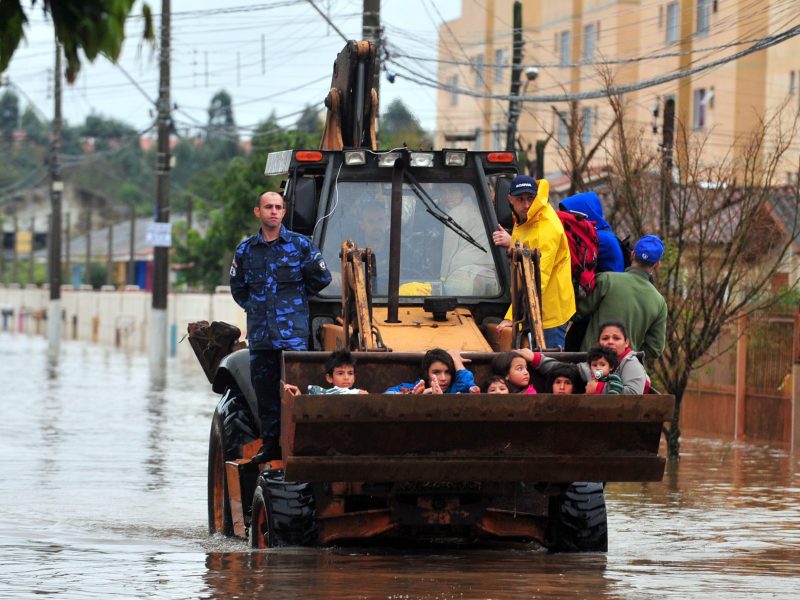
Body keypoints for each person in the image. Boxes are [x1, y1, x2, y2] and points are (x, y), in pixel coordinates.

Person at [230, 190, 332, 462]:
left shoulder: (301, 246)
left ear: (284, 213)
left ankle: (298, 443)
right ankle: (271, 443)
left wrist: (295, 300)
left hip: (292, 337)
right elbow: (238, 289)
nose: (273, 211)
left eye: (278, 207)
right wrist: (256, 308)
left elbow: (321, 278)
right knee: (264, 391)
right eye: (268, 207)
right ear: (258, 212)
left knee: (295, 390)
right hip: (262, 336)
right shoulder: (246, 250)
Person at [492, 175, 575, 349]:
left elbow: (538, 279)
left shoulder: (546, 228)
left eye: (530, 198)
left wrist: (511, 317)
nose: (526, 204)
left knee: (551, 366)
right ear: (510, 199)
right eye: (520, 199)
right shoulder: (523, 217)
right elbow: (525, 251)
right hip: (533, 305)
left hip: (550, 310)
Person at [576, 234, 667, 361]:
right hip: (625, 372)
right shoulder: (659, 302)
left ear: (632, 255)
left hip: (591, 366)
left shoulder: (606, 280)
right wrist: (629, 355)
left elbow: (578, 311)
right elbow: (655, 348)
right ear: (657, 265)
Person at [529, 321, 650, 395]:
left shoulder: (630, 363)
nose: (610, 342)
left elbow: (633, 393)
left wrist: (599, 388)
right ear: (599, 342)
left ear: (626, 342)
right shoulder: (592, 365)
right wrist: (535, 358)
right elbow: (566, 370)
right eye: (605, 338)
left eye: (616, 338)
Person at [438, 184, 498, 296]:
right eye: (443, 192)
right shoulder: (488, 212)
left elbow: (448, 252)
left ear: (463, 192)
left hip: (462, 275)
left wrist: (442, 278)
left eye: (453, 191)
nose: (448, 197)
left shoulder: (454, 213)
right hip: (489, 273)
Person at [559, 191, 624, 273]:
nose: (568, 219)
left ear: (583, 214)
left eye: (569, 215)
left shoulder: (601, 238)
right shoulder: (603, 233)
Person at [385, 348, 477, 394]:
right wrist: (418, 395)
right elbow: (387, 395)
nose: (443, 378)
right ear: (426, 373)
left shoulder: (455, 389)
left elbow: (468, 385)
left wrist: (456, 359)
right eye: (436, 372)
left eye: (447, 372)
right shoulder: (413, 388)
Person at [283, 350, 367, 396]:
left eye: (350, 373)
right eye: (340, 373)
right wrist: (298, 397)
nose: (346, 377)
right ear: (329, 378)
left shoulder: (360, 394)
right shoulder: (321, 394)